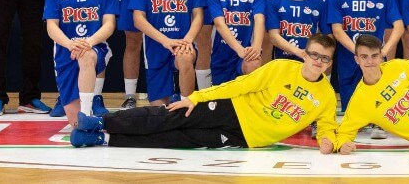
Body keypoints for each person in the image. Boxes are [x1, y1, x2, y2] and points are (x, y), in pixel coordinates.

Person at [69, 34, 339, 152]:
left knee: (177, 139)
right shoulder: (281, 67)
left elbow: (327, 126)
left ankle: (102, 139)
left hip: (245, 138)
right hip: (232, 109)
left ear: (329, 63)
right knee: (170, 115)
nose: (318, 61)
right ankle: (100, 122)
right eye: (314, 54)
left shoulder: (326, 96)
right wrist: (196, 97)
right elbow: (239, 85)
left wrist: (330, 142)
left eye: (325, 58)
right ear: (305, 54)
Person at [326, 0, 404, 128]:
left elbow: (399, 26)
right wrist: (358, 53)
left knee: (378, 114)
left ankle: (379, 121)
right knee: (354, 117)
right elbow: (337, 30)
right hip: (349, 59)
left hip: (375, 61)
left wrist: (384, 51)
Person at [43, 0, 117, 126]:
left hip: (95, 48)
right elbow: (51, 26)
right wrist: (70, 44)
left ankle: (86, 114)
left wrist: (88, 43)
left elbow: (109, 25)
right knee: (74, 124)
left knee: (87, 56)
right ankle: (83, 121)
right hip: (65, 52)